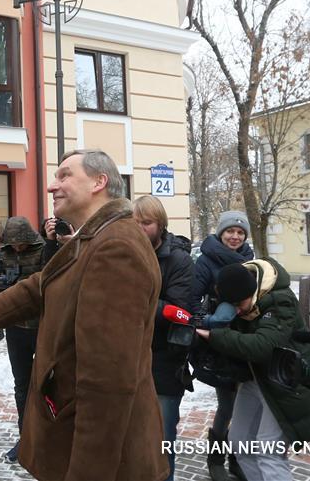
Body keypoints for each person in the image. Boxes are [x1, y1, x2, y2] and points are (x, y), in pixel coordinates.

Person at [0, 149, 169, 481]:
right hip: (71, 431)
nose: (52, 186)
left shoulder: (116, 249)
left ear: (99, 182)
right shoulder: (93, 238)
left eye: (65, 175)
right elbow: (38, 287)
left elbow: (108, 385)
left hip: (107, 460)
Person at [196, 260, 310, 481]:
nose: (237, 309)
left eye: (239, 302)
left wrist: (216, 336)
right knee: (239, 443)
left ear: (253, 291)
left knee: (269, 451)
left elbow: (263, 347)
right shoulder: (243, 304)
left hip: (286, 382)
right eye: (231, 305)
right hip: (257, 379)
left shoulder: (279, 300)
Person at [133, 196, 194, 481]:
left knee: (162, 437)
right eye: (134, 223)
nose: (139, 228)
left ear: (160, 225)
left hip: (165, 361)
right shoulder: (128, 253)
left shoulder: (178, 259)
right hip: (129, 358)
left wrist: (132, 301)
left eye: (145, 223)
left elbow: (179, 309)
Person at [191, 211, 255, 481]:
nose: (235, 236)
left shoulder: (252, 260)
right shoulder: (206, 261)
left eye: (240, 232)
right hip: (219, 341)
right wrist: (206, 322)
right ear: (220, 233)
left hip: (247, 340)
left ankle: (238, 459)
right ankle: (216, 458)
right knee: (227, 405)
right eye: (230, 231)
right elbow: (192, 299)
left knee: (247, 408)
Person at [0, 216, 45, 463]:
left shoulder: (45, 249)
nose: (18, 248)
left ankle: (48, 437)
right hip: (16, 329)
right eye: (14, 244)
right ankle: (25, 438)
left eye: (21, 244)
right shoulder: (3, 254)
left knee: (46, 383)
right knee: (21, 385)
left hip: (42, 326)